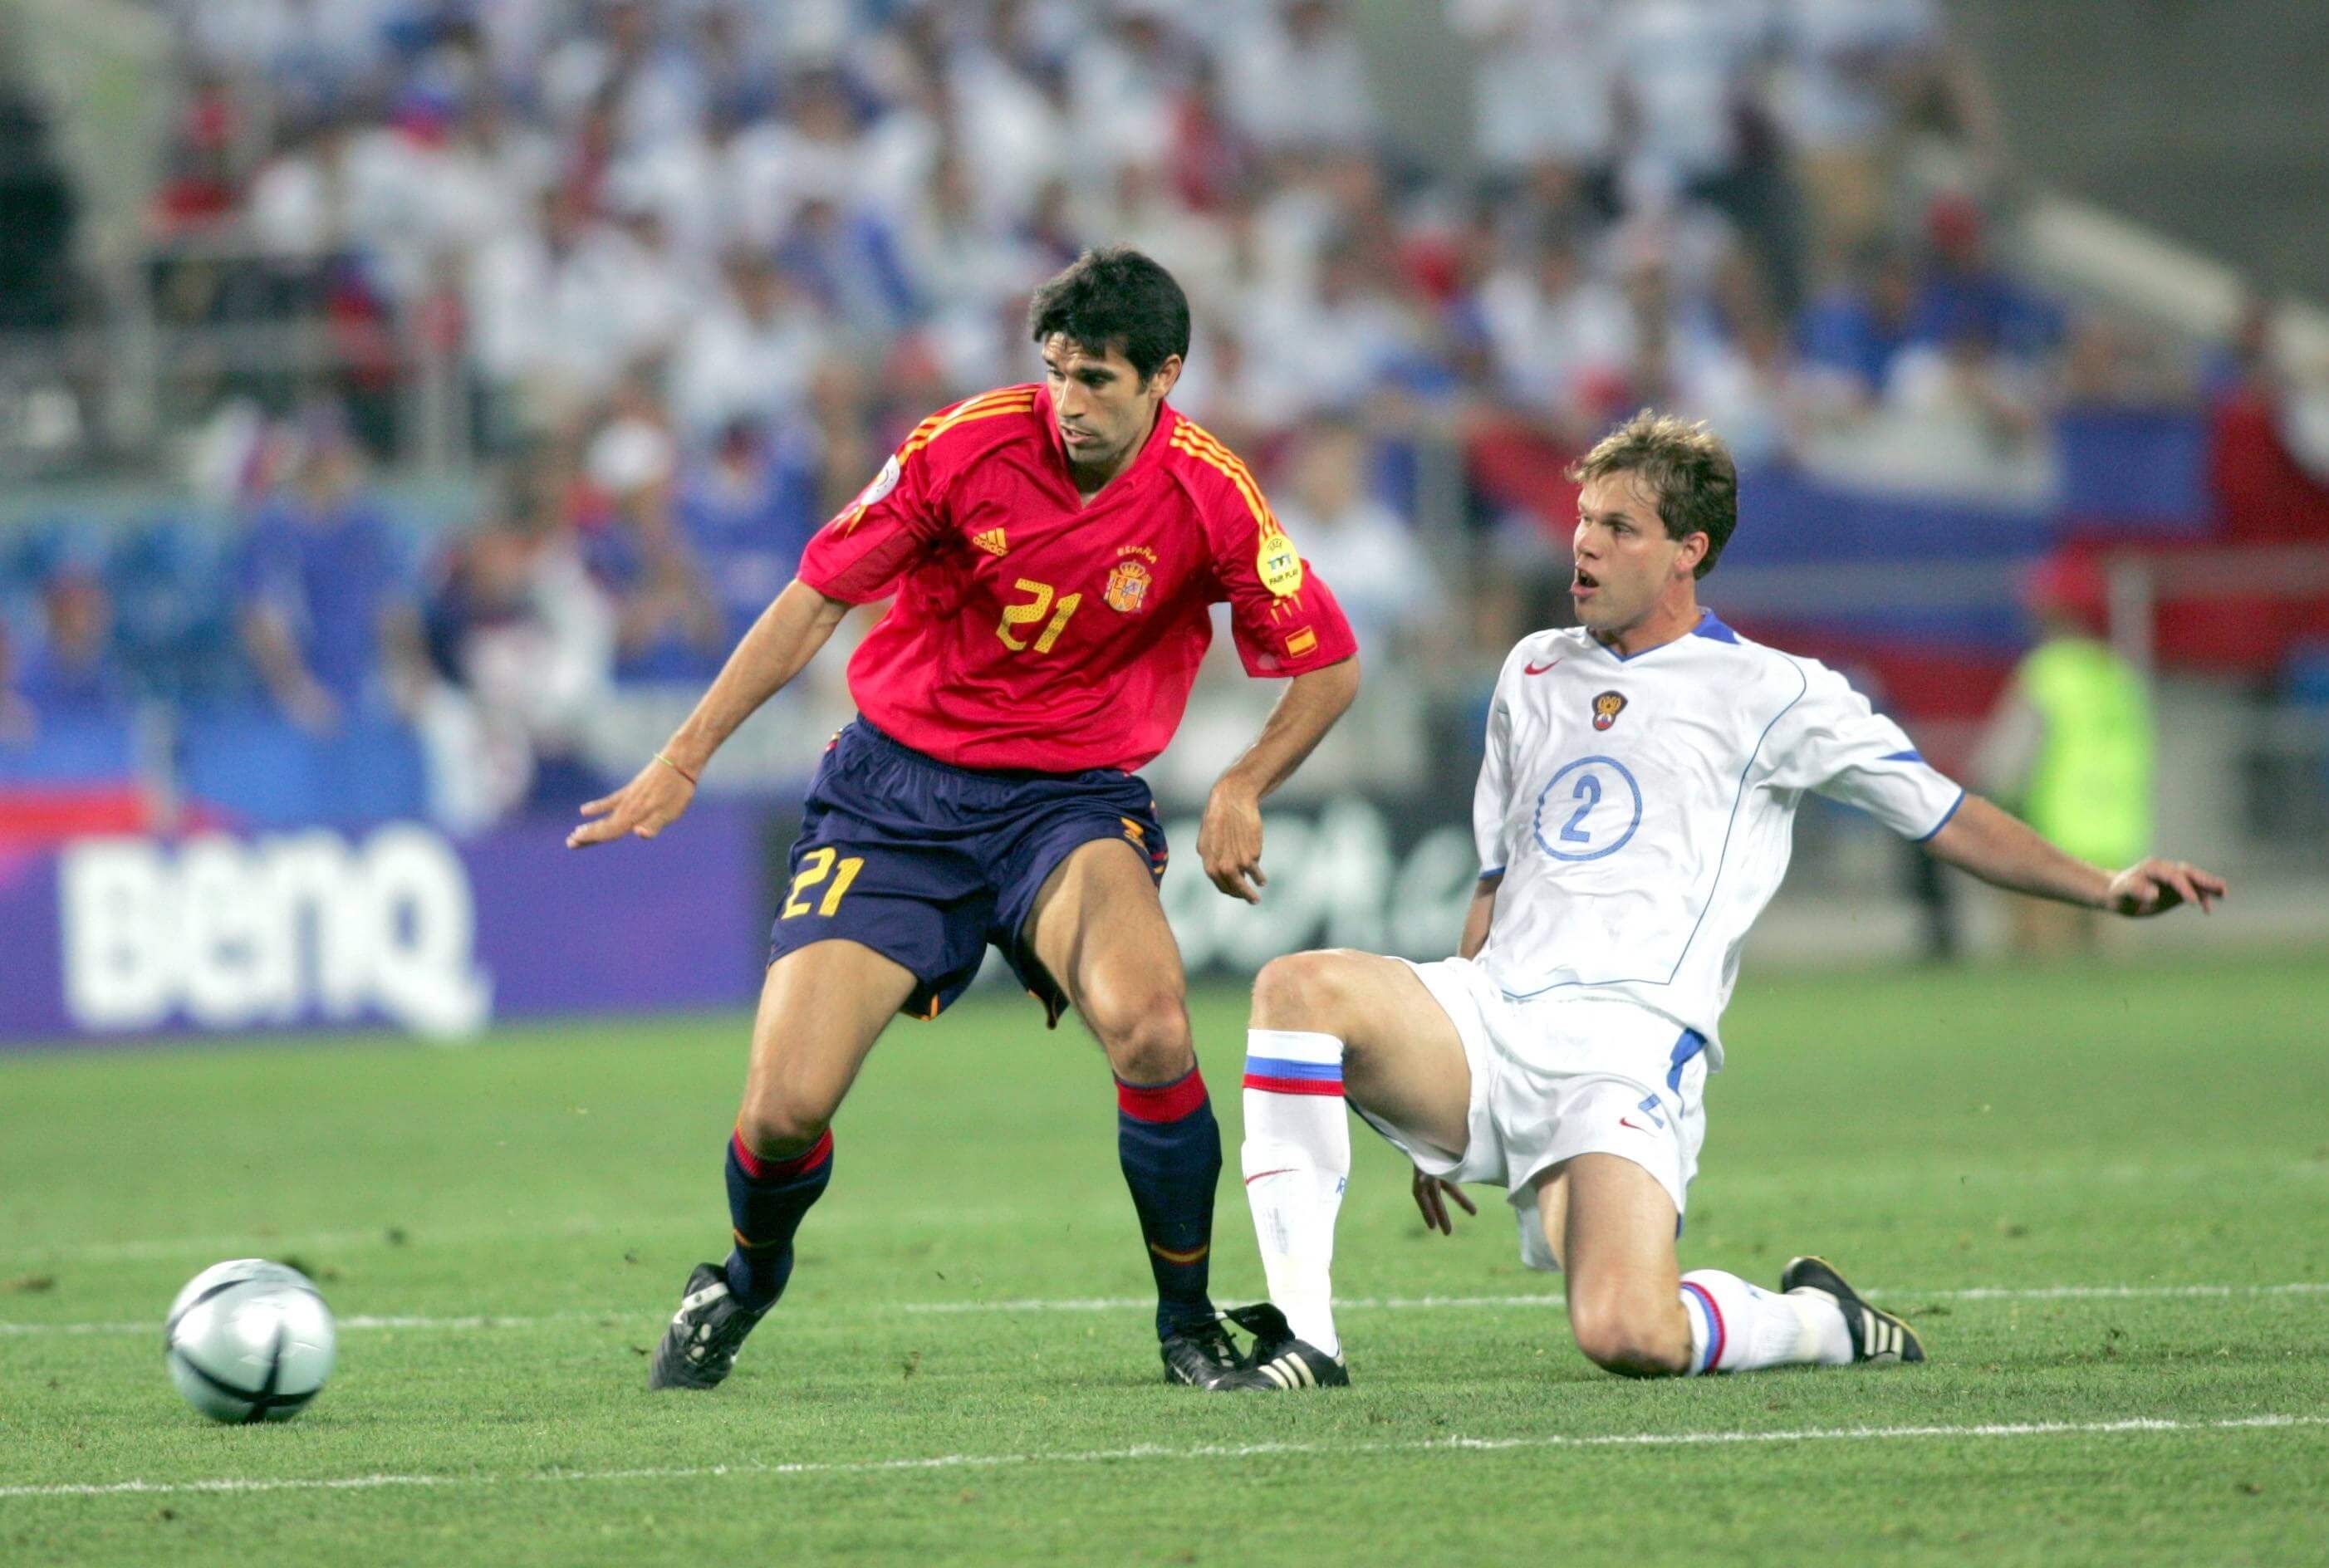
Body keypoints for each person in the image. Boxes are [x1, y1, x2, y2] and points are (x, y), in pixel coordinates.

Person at [1225, 410, 2225, 1390]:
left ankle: (1817, 1322)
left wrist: (2100, 886)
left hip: (1622, 1052)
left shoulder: (1775, 692)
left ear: (1685, 552)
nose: (1583, 544)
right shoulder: (1532, 668)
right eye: (1583, 520)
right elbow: (1497, 875)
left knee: (1627, 1331)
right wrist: (1431, 1085)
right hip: (1490, 1016)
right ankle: (1306, 1341)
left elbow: (1942, 813)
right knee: (1296, 989)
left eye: (1618, 527)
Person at [568, 247, 1361, 1392]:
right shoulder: (962, 447)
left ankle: (1186, 1326)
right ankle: (741, 1279)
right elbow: (816, 598)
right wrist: (683, 758)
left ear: (1164, 377)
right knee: (784, 1110)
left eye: (1097, 379)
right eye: (1058, 372)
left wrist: (1240, 785)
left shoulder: (1210, 493)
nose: (1069, 400)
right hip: (894, 798)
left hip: (1068, 804)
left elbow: (1328, 665)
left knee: (1151, 1028)